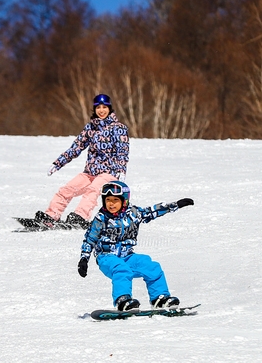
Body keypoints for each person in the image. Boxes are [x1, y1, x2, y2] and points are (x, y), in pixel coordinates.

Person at [77, 180, 194, 311]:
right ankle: (123, 300)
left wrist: (175, 205)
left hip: (127, 256)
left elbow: (151, 212)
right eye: (108, 199)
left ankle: (159, 299)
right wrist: (84, 259)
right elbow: (90, 239)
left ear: (124, 200)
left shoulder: (133, 213)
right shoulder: (101, 218)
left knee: (151, 266)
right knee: (121, 269)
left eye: (115, 200)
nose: (111, 203)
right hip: (106, 257)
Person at [33, 94, 129, 229]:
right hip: (90, 172)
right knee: (67, 189)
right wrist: (58, 163)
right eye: (98, 107)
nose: (101, 110)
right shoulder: (91, 128)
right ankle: (51, 215)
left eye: (104, 107)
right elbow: (76, 147)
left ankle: (81, 217)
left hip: (109, 173)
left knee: (93, 189)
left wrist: (121, 170)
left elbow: (122, 150)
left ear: (109, 108)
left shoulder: (118, 128)